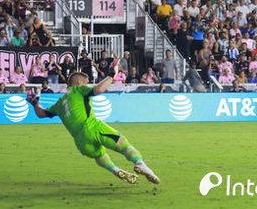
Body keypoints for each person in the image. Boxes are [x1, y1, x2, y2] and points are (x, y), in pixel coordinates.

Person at [26, 63, 160, 184]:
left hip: (81, 142)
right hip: (92, 127)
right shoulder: (78, 90)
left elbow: (41, 114)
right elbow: (99, 89)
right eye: (86, 83)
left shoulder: (59, 103)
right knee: (123, 143)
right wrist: (112, 73)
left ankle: (115, 170)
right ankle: (140, 164)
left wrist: (34, 102)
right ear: (79, 83)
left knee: (100, 155)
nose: (88, 85)